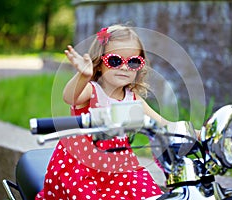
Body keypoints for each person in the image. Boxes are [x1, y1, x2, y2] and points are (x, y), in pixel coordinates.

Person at [36, 24, 178, 200]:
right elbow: (70, 98)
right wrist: (83, 76)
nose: (125, 67)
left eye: (133, 61)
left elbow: (163, 123)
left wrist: (199, 133)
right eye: (115, 61)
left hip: (120, 168)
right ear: (99, 63)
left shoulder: (133, 99)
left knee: (150, 194)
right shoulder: (91, 91)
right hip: (81, 169)